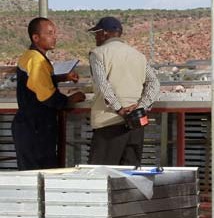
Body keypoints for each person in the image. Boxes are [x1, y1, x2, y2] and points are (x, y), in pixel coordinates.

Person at [12, 17, 86, 170]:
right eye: (50, 33)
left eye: (55, 33)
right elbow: (47, 97)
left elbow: (36, 82)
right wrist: (71, 99)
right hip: (36, 128)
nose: (54, 37)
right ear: (36, 37)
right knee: (39, 174)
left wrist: (62, 77)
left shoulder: (31, 56)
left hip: (31, 126)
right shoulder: (36, 60)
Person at [87, 16, 160, 166]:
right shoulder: (138, 56)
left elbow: (103, 85)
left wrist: (119, 108)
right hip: (136, 124)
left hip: (108, 125)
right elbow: (154, 82)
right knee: (130, 176)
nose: (96, 37)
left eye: (96, 34)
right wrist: (141, 107)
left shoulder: (98, 54)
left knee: (102, 174)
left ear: (104, 33)